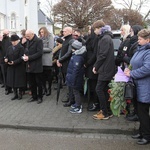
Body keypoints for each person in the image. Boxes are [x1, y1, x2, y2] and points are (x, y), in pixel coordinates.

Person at [124, 29, 150, 145]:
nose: (138, 41)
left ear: (147, 40)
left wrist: (132, 73)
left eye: (140, 39)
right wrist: (129, 68)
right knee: (139, 112)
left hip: (145, 86)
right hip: (137, 85)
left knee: (143, 112)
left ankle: (147, 136)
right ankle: (141, 132)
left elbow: (147, 68)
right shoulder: (140, 50)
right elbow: (133, 63)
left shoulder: (148, 52)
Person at [92, 21, 116, 120]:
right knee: (104, 90)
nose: (94, 31)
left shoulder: (105, 39)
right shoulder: (106, 37)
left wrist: (96, 66)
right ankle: (107, 111)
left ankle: (105, 113)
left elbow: (102, 55)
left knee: (99, 89)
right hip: (107, 69)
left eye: (95, 29)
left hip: (105, 69)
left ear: (99, 28)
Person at [66, 39, 86, 113]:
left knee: (76, 92)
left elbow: (76, 70)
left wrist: (73, 80)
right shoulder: (76, 55)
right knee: (75, 91)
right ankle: (76, 104)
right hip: (73, 77)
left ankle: (78, 106)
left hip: (76, 78)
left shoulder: (77, 57)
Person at [23, 29, 43, 104]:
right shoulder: (28, 41)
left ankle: (40, 97)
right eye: (26, 36)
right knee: (31, 82)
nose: (27, 37)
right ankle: (34, 96)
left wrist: (29, 57)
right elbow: (26, 50)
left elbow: (39, 53)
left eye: (28, 36)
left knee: (38, 82)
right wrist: (25, 55)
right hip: (29, 65)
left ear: (32, 34)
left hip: (37, 65)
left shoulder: (38, 41)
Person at [4, 34, 26, 100]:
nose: (13, 43)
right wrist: (6, 58)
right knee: (12, 81)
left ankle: (20, 93)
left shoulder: (21, 47)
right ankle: (15, 94)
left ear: (18, 41)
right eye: (12, 41)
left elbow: (21, 57)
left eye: (14, 41)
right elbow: (6, 55)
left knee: (18, 81)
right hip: (11, 67)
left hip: (18, 67)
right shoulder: (9, 48)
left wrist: (15, 62)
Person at [57, 27, 75, 105]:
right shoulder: (65, 40)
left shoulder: (71, 40)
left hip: (69, 64)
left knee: (70, 83)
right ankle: (69, 97)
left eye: (64, 31)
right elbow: (62, 51)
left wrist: (60, 60)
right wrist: (59, 60)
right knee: (67, 82)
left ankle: (71, 99)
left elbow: (69, 53)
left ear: (69, 32)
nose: (63, 33)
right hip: (64, 64)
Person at [84, 26, 99, 111]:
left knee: (94, 85)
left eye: (90, 29)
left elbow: (95, 54)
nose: (88, 31)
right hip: (88, 64)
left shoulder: (95, 39)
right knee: (91, 84)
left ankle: (95, 103)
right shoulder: (89, 39)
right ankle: (92, 101)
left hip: (92, 64)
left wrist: (87, 63)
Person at [38, 27, 54, 96]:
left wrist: (40, 49)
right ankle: (44, 89)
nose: (41, 34)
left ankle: (49, 89)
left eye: (42, 32)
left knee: (49, 76)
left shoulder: (50, 37)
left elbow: (50, 48)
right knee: (42, 76)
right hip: (41, 60)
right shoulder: (40, 39)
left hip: (47, 60)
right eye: (40, 32)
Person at [1, 29, 12, 95]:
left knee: (10, 74)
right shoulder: (1, 40)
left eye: (7, 34)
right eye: (4, 34)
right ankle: (7, 88)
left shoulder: (10, 39)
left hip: (10, 59)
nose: (6, 35)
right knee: (4, 74)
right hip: (2, 60)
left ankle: (11, 88)